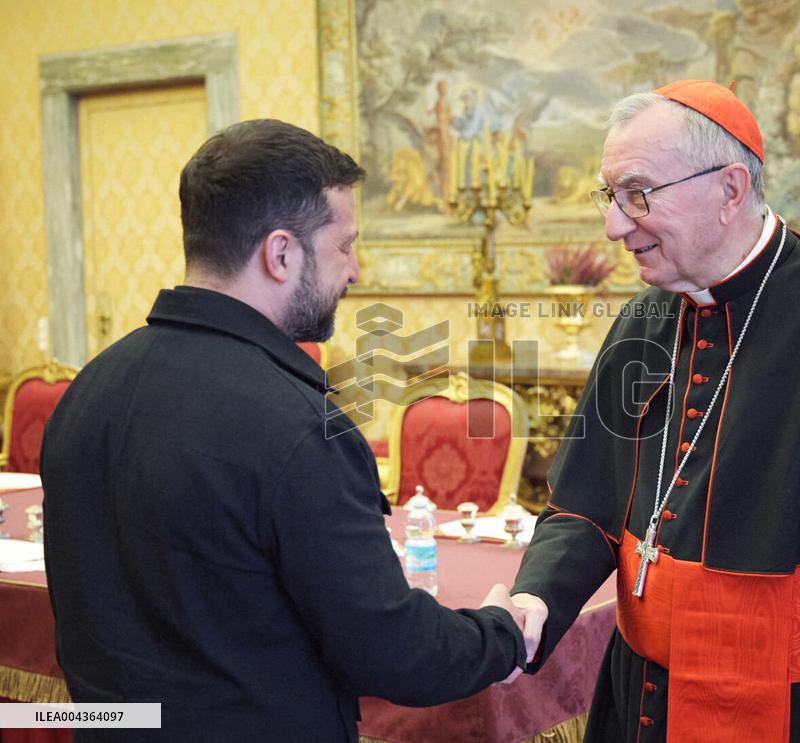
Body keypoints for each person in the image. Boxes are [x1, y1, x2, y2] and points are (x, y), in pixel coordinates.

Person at [509, 81, 800, 742]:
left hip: (783, 714)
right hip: (640, 692)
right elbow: (585, 505)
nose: (614, 225)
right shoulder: (643, 321)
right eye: (609, 196)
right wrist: (535, 596)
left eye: (637, 194)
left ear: (730, 189)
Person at [41, 119, 526, 742]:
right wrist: (500, 630)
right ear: (280, 253)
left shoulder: (88, 389)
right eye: (344, 246)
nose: (355, 270)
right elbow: (393, 654)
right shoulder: (298, 425)